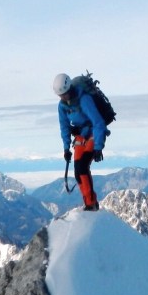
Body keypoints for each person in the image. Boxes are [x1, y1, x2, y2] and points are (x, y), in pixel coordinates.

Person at [53, 72, 106, 211]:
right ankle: (88, 202)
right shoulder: (62, 106)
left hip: (94, 133)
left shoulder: (84, 99)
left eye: (65, 93)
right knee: (78, 172)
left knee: (83, 166)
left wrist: (98, 147)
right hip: (81, 136)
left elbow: (98, 122)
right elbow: (64, 126)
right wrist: (66, 148)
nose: (63, 97)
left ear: (70, 88)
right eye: (61, 95)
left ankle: (91, 204)